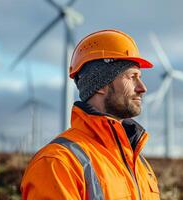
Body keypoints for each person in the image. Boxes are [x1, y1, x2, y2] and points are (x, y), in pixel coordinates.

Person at [21, 29, 160, 200]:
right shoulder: (58, 163)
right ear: (100, 85)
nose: (142, 88)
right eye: (132, 77)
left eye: (140, 77)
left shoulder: (139, 165)